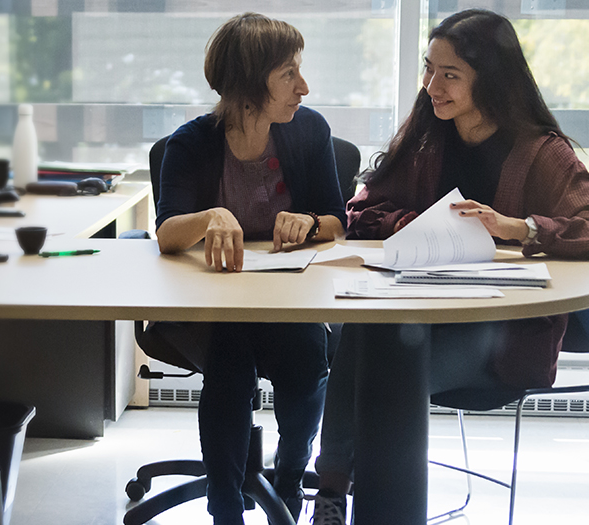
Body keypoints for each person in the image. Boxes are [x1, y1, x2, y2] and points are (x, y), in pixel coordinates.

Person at [310, 9, 589, 524]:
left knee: (374, 357)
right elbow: (363, 208)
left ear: (491, 79)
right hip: (414, 317)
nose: (432, 85)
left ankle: (337, 491)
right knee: (372, 336)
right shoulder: (430, 135)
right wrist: (422, 224)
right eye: (428, 69)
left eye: (450, 75)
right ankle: (344, 495)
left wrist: (519, 228)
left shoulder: (542, 152)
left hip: (499, 338)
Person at [154, 12, 347, 525]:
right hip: (216, 305)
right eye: (288, 74)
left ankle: (287, 484)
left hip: (288, 301)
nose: (303, 87)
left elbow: (338, 222)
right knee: (230, 362)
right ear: (247, 84)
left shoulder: (308, 131)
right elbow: (167, 233)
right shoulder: (191, 143)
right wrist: (212, 216)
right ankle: (225, 507)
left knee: (308, 360)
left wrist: (307, 221)